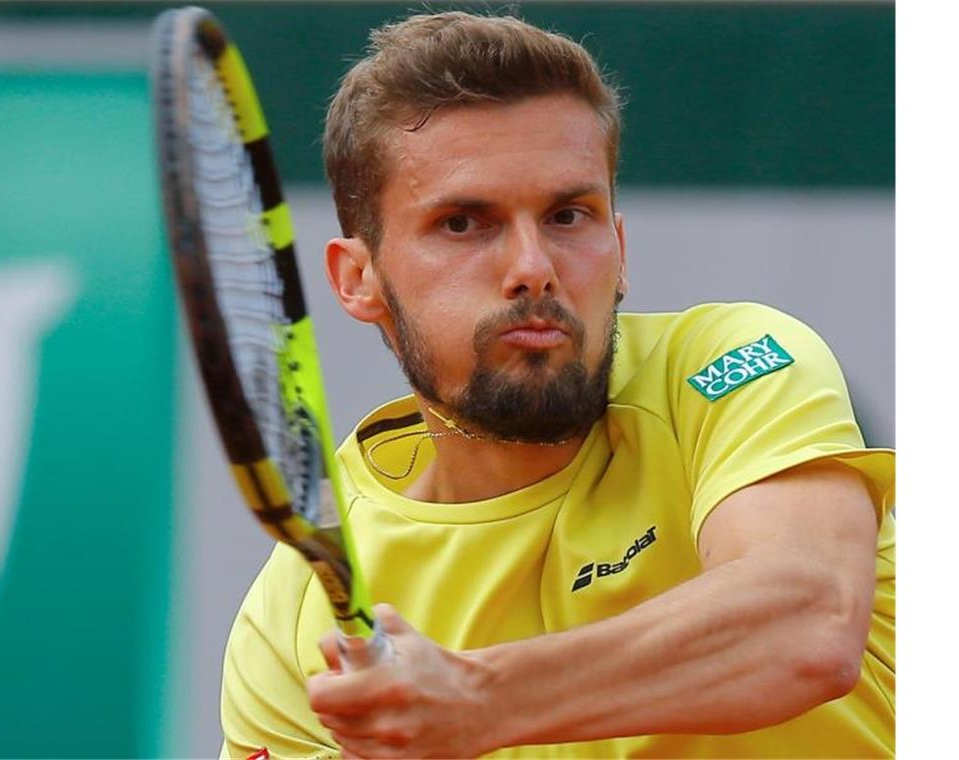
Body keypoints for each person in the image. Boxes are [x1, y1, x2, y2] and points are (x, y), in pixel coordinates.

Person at [219, 11, 895, 759]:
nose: (533, 266)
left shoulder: (733, 365)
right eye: (463, 223)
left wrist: (476, 699)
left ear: (620, 247)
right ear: (359, 278)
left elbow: (809, 623)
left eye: (569, 214)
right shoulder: (295, 614)